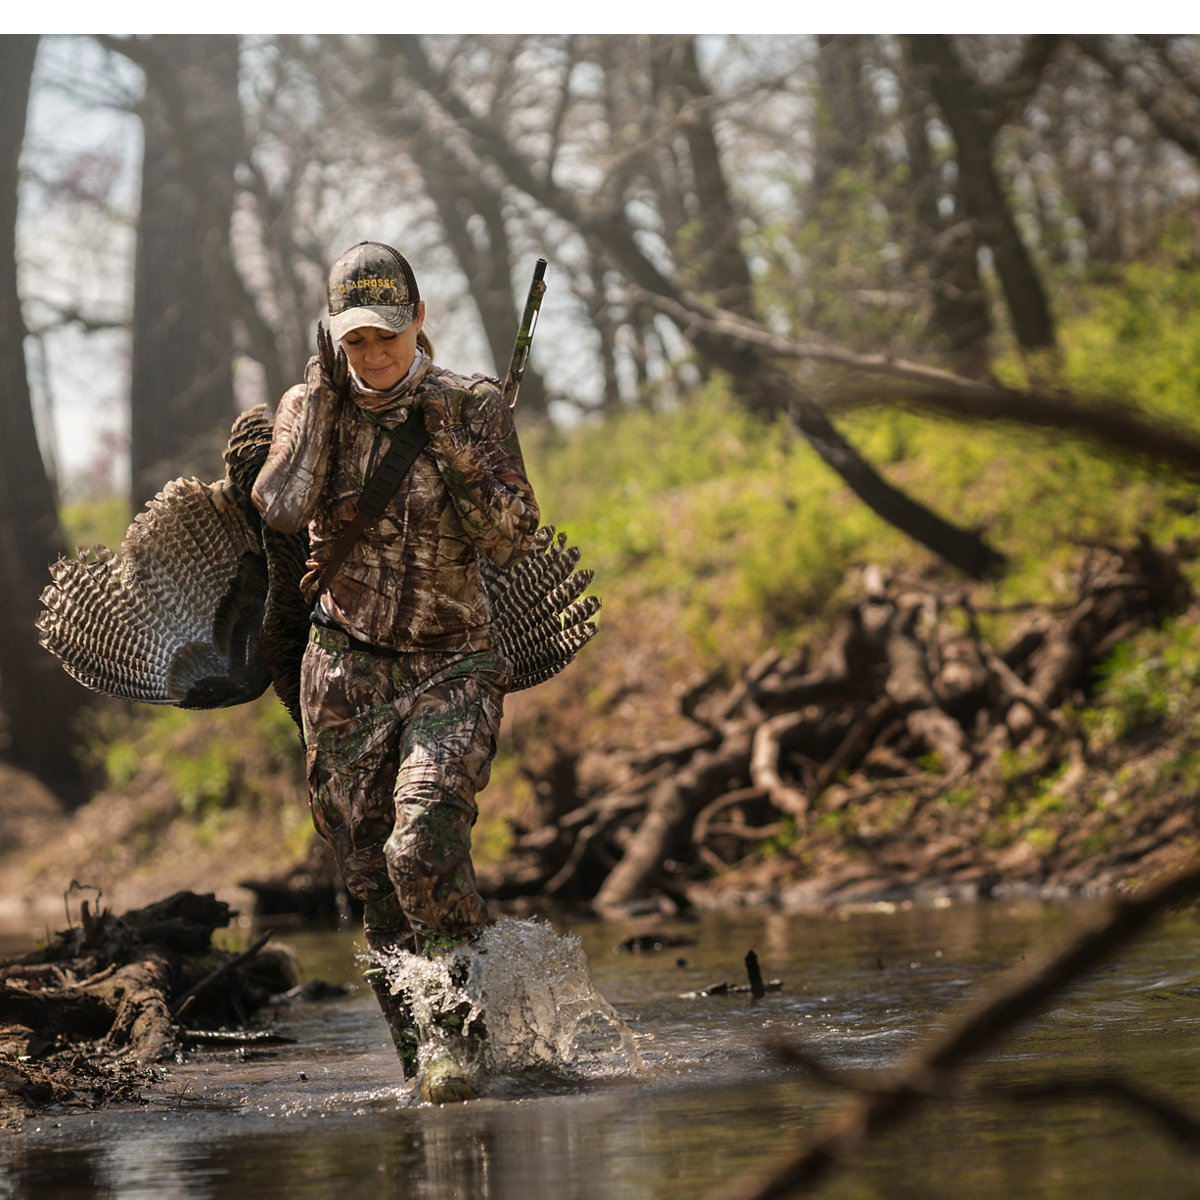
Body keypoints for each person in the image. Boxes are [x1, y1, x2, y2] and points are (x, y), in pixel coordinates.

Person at [251, 241, 541, 1097]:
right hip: (344, 672)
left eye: (386, 333)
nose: (372, 354)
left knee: (422, 846)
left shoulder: (473, 404)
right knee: (373, 883)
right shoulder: (312, 401)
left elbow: (511, 535)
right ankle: (427, 1064)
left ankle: (464, 1037)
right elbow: (280, 504)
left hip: (454, 663)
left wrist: (452, 444)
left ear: (419, 320)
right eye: (355, 340)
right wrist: (319, 409)